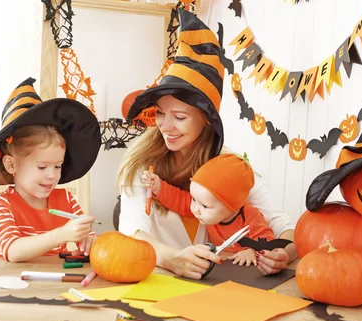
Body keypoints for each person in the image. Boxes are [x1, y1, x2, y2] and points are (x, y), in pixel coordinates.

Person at [116, 9, 297, 280]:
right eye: (161, 113)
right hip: (156, 279)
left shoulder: (229, 168)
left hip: (216, 285)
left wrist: (283, 253)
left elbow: (285, 227)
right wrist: (172, 259)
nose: (165, 126)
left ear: (207, 121)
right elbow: (130, 231)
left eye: (179, 117)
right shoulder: (142, 163)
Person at [0, 77, 102, 263]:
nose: (52, 175)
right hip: (11, 284)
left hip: (53, 284)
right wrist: (62, 235)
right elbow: (13, 251)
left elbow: (89, 238)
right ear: (11, 165)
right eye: (42, 166)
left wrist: (89, 242)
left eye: (58, 166)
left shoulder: (66, 200)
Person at [142, 152, 277, 271]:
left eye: (205, 206)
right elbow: (179, 199)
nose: (195, 209)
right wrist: (158, 187)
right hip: (223, 267)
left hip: (248, 271)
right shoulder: (205, 205)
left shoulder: (249, 216)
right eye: (194, 199)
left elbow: (267, 241)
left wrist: (252, 251)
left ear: (231, 206)